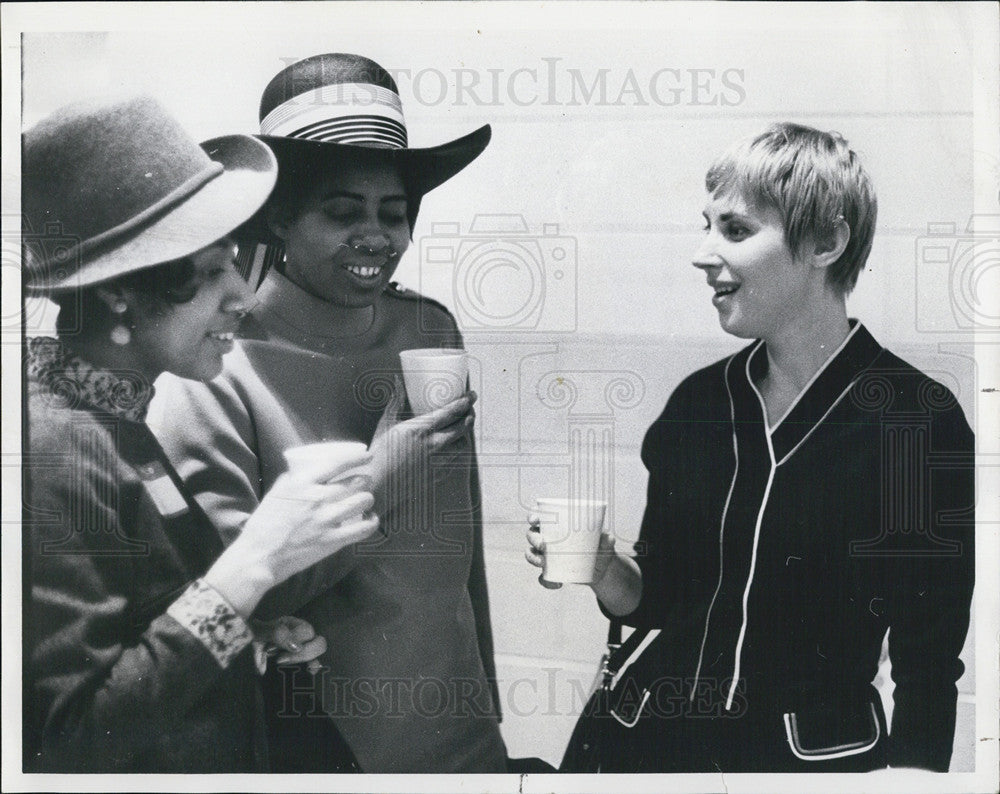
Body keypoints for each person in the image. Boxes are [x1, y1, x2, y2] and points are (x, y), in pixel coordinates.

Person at [526, 123, 975, 772]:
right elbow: (659, 600)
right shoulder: (698, 404)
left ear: (827, 241)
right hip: (647, 751)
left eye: (735, 230)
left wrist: (916, 780)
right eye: (705, 226)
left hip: (802, 767)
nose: (703, 254)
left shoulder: (916, 422)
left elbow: (928, 661)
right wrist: (602, 569)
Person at [151, 54, 508, 773]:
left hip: (461, 738)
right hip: (320, 752)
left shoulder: (429, 331)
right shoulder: (214, 365)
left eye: (393, 212)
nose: (375, 235)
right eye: (342, 212)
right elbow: (234, 598)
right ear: (278, 218)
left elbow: (458, 565)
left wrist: (488, 714)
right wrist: (381, 480)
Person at [22, 96, 380, 772]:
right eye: (213, 269)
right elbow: (68, 741)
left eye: (235, 264)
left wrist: (248, 636)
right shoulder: (53, 449)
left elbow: (140, 641)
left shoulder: (113, 419)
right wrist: (254, 565)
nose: (241, 297)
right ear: (120, 290)